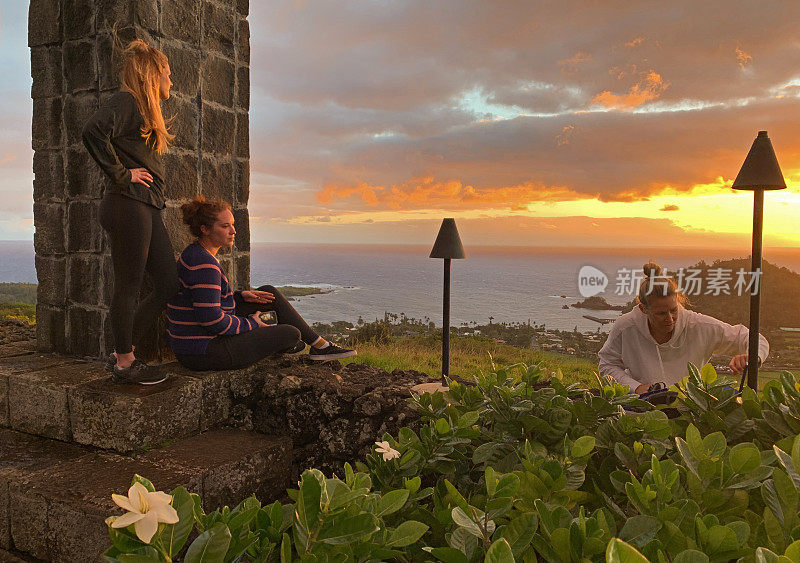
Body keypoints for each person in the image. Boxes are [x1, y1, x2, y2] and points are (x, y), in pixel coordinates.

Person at [167, 196, 357, 371]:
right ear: (205, 229)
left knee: (267, 293)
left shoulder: (196, 252)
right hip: (204, 351)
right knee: (290, 334)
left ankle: (320, 345)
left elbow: (202, 299)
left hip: (195, 344)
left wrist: (239, 296)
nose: (233, 231)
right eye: (225, 226)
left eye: (232, 225)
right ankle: (294, 344)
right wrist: (252, 323)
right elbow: (212, 320)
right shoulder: (205, 265)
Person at [82, 39, 178, 385]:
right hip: (128, 206)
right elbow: (92, 131)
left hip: (146, 207)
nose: (172, 82)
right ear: (154, 76)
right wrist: (123, 174)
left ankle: (122, 349)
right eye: (168, 75)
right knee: (129, 284)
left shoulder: (143, 111)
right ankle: (125, 362)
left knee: (168, 282)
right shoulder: (127, 102)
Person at [598, 261, 769, 393]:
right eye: (660, 313)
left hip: (689, 410)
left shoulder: (699, 326)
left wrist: (752, 357)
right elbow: (607, 364)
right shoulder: (626, 327)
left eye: (674, 310)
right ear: (644, 309)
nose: (670, 318)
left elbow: (752, 338)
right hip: (642, 410)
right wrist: (636, 387)